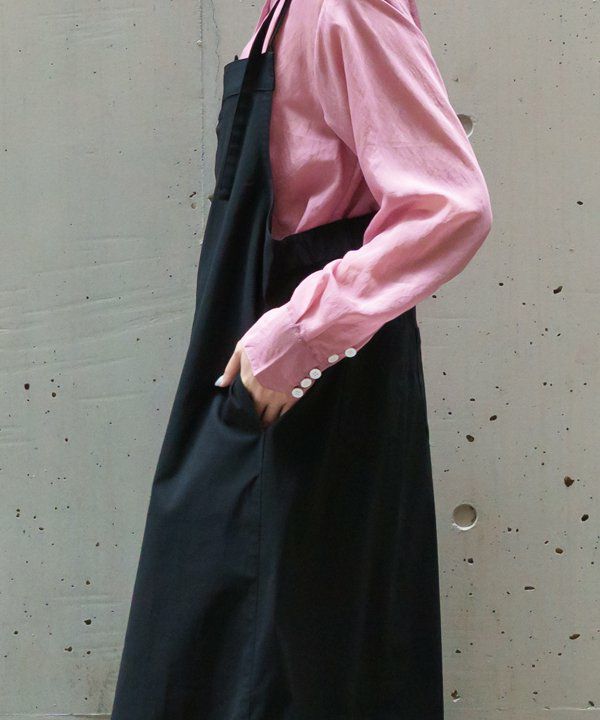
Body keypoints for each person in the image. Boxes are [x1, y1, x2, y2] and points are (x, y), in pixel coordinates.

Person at [111, 1, 492, 718]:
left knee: (289, 663)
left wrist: (299, 336)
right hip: (254, 353)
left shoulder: (346, 7)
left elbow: (450, 204)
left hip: (312, 385)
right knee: (226, 653)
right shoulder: (283, 11)